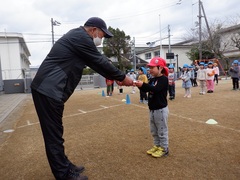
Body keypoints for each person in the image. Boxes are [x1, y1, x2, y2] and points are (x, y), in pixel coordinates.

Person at [31, 17, 133, 180]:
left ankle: (65, 166)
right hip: (48, 89)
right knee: (53, 134)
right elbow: (99, 61)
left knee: (56, 132)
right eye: (102, 35)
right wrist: (122, 76)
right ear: (93, 30)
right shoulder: (81, 37)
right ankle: (63, 174)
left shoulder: (79, 39)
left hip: (50, 90)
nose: (102, 39)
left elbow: (97, 63)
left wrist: (116, 77)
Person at [134, 57, 169, 158]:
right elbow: (147, 89)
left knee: (162, 130)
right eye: (149, 68)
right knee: (154, 130)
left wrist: (143, 84)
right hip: (152, 109)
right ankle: (157, 145)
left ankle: (164, 148)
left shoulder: (163, 79)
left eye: (152, 67)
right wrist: (139, 85)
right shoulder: (152, 79)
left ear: (160, 68)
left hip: (161, 109)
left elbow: (156, 89)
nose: (150, 70)